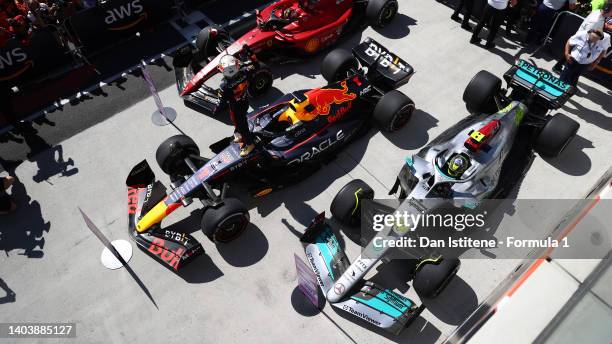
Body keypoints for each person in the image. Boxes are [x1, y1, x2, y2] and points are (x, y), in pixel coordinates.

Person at [217, 55, 255, 157]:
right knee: (238, 121)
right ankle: (239, 135)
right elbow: (254, 67)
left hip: (235, 106)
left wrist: (216, 109)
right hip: (245, 101)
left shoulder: (224, 85)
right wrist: (251, 56)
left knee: (242, 125)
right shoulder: (245, 72)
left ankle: (250, 144)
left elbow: (221, 102)